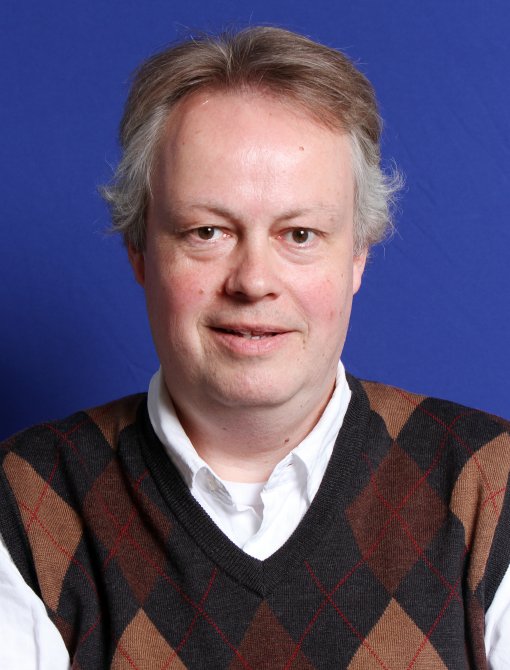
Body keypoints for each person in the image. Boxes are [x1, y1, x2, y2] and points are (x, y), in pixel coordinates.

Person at [0, 26, 508, 669]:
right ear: (139, 250)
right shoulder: (26, 505)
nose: (253, 281)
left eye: (300, 234)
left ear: (358, 255)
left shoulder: (488, 487)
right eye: (207, 231)